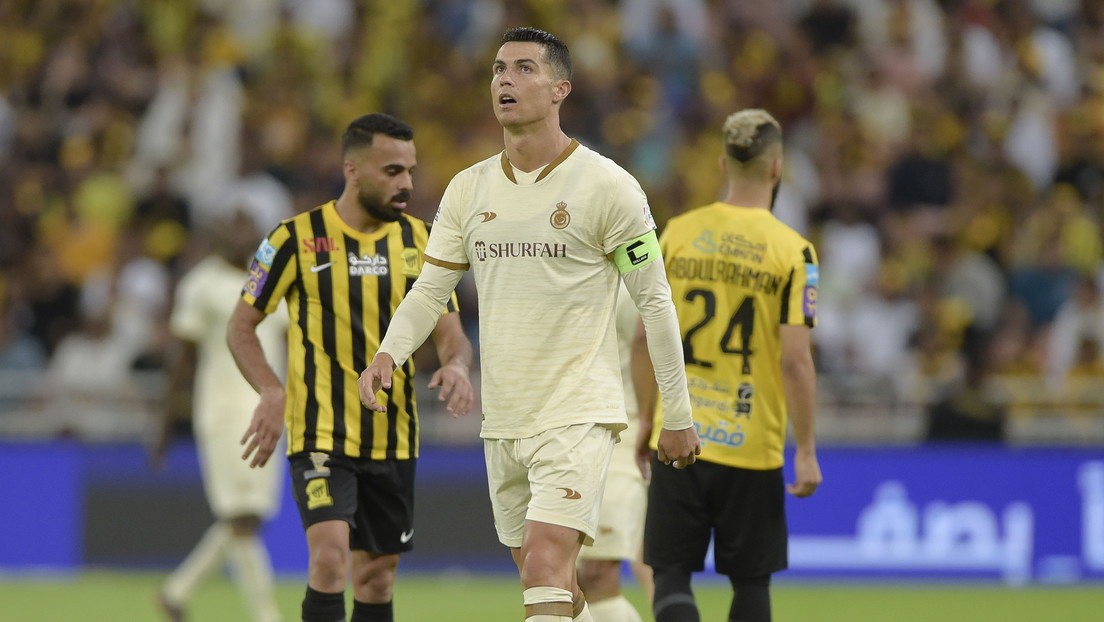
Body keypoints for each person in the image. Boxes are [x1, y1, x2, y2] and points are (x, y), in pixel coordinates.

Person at [357, 27, 700, 622]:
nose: (505, 81)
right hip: (505, 418)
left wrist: (678, 413)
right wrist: (388, 354)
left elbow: (656, 304)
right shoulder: (469, 190)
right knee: (556, 589)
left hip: (577, 412)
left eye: (522, 69)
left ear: (560, 88)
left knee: (544, 567)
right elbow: (431, 289)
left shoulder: (609, 187)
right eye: (497, 70)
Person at [227, 113, 475, 622]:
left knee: (377, 579)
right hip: (320, 435)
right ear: (352, 170)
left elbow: (452, 337)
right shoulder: (293, 239)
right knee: (329, 559)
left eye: (409, 170)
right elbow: (241, 327)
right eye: (392, 171)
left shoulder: (424, 243)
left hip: (394, 439)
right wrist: (272, 392)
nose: (406, 183)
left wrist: (458, 367)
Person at [635, 109, 823, 622]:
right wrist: (804, 450)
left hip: (680, 432)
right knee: (751, 581)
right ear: (776, 168)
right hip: (752, 443)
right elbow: (797, 362)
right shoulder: (796, 253)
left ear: (722, 163)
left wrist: (646, 418)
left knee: (670, 571)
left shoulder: (676, 234)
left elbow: (644, 333)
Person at [152, 207, 289, 622]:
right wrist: (164, 421)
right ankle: (268, 616)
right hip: (222, 410)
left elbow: (290, 343)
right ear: (217, 235)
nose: (241, 233)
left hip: (271, 411)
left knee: (251, 517)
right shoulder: (201, 285)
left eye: (247, 225)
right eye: (234, 225)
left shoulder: (272, 280)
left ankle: (176, 592)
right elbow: (184, 357)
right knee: (241, 516)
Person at [576, 282, 653, 622]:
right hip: (567, 436)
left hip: (621, 433)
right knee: (565, 579)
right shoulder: (550, 274)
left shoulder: (628, 285)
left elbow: (647, 340)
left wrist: (657, 418)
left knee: (597, 574)